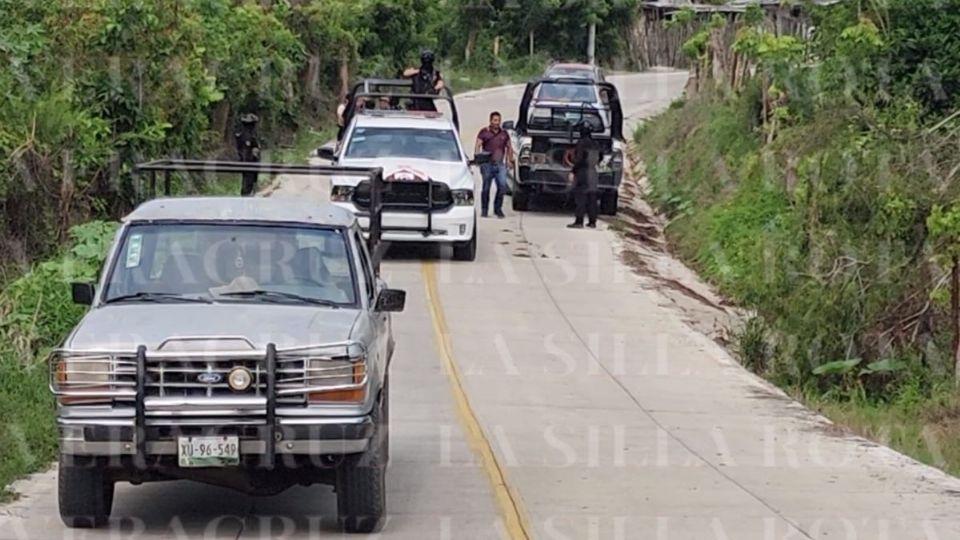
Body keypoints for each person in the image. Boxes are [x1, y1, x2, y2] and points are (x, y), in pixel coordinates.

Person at [475, 111, 514, 218]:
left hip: (500, 165)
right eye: (495, 120)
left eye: (498, 120)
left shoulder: (504, 134)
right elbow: (478, 144)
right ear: (490, 121)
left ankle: (498, 209)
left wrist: (509, 160)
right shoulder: (484, 132)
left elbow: (509, 147)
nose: (497, 123)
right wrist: (478, 158)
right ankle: (484, 210)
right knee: (486, 188)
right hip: (487, 165)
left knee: (502, 187)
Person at [568, 119, 601, 228]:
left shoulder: (581, 143)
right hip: (593, 172)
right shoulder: (595, 143)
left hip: (583, 172)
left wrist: (573, 170)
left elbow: (579, 159)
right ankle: (592, 221)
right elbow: (600, 156)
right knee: (592, 197)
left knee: (580, 197)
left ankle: (579, 221)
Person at [234, 113, 261, 197]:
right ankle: (246, 198)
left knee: (248, 181)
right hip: (249, 162)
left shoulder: (246, 135)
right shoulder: (247, 136)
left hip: (248, 163)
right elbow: (248, 151)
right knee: (248, 183)